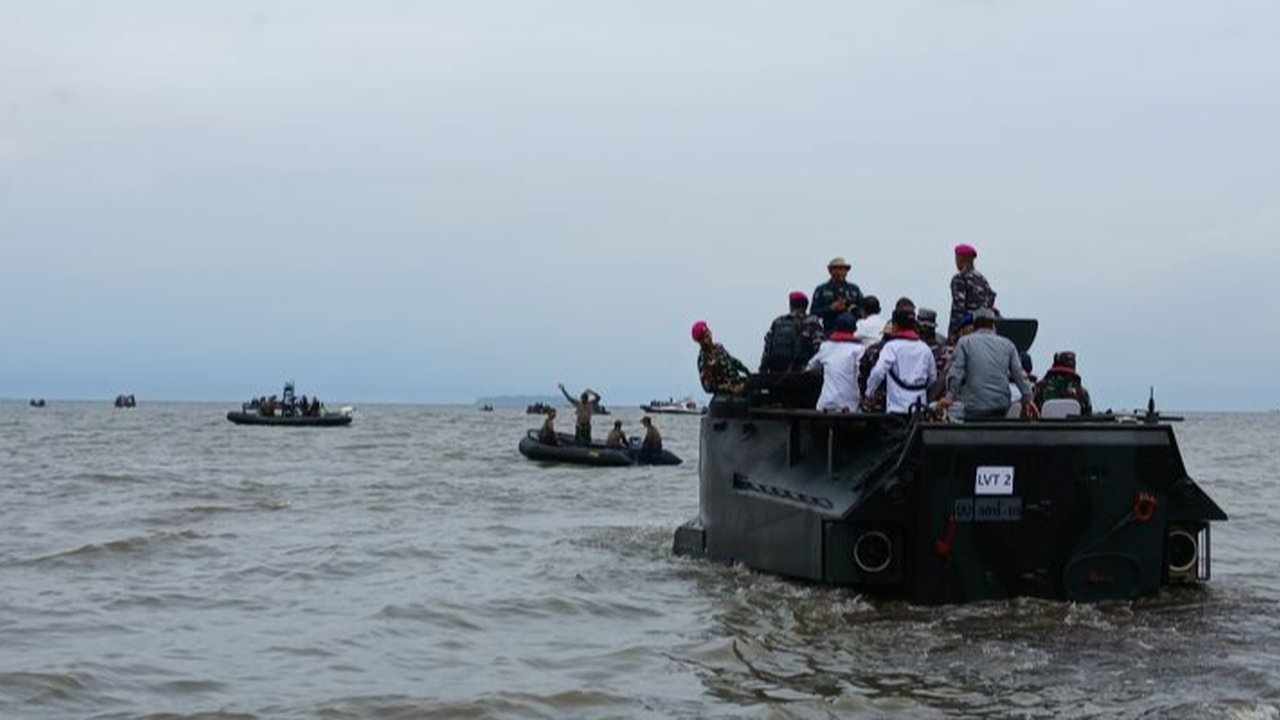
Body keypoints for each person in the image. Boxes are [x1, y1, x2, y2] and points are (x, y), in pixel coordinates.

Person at [940, 309, 1037, 420]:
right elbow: (1019, 374)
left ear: (975, 325)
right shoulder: (1008, 344)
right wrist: (1028, 398)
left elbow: (956, 373)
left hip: (973, 408)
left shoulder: (964, 342)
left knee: (937, 409)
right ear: (994, 325)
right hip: (1002, 407)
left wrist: (948, 397)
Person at [864, 310, 937, 413]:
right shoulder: (925, 348)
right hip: (919, 408)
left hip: (896, 408)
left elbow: (878, 372)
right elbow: (932, 378)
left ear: (895, 326)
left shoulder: (891, 347)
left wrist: (869, 393)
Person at [804, 312, 865, 412]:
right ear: (855, 329)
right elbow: (861, 374)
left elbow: (809, 368)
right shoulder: (859, 349)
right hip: (850, 406)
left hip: (825, 404)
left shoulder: (825, 346)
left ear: (836, 328)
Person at [759, 291, 824, 373]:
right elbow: (819, 348)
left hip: (777, 374)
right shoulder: (812, 321)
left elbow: (767, 348)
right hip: (803, 374)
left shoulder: (778, 322)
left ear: (791, 305)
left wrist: (763, 371)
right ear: (806, 306)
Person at [948, 243, 997, 341]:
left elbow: (958, 308)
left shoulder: (959, 278)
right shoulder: (982, 279)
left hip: (967, 330)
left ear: (961, 258)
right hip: (986, 328)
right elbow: (991, 298)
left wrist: (952, 333)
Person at [693, 321, 750, 396]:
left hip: (738, 384)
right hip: (726, 396)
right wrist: (729, 388)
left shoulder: (718, 347)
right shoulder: (703, 359)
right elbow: (708, 387)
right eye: (706, 337)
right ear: (700, 341)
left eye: (709, 333)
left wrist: (747, 371)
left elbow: (732, 360)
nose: (709, 337)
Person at [811, 257, 864, 335]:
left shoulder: (854, 289)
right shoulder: (821, 289)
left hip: (852, 332)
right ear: (830, 271)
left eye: (844, 269)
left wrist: (851, 309)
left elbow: (864, 311)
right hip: (830, 331)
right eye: (838, 269)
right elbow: (813, 312)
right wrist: (831, 308)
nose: (841, 272)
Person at [1034, 351, 1093, 415]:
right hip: (1073, 425)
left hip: (1043, 425)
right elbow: (1088, 416)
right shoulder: (1083, 393)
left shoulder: (1039, 388)